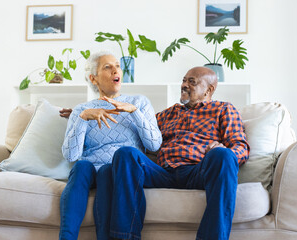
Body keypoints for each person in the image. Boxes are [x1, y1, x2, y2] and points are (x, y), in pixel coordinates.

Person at [107, 66, 250, 240]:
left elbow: (241, 147)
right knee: (126, 154)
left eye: (192, 82)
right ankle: (124, 237)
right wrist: (85, 116)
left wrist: (221, 150)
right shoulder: (168, 114)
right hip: (163, 172)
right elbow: (134, 127)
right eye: (184, 80)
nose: (184, 85)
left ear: (209, 89)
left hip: (198, 171)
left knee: (224, 155)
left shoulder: (223, 109)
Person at [59, 51, 162, 240]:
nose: (116, 70)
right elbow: (70, 156)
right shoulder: (82, 110)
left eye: (117, 65)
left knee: (107, 171)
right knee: (81, 165)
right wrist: (82, 119)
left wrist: (135, 113)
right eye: (107, 67)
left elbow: (154, 145)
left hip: (121, 172)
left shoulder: (138, 102)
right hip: (90, 171)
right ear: (93, 78)